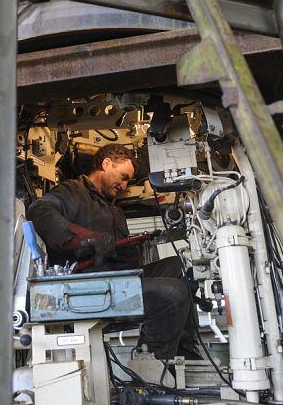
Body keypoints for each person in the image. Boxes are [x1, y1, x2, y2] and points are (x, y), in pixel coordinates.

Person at [27, 143, 198, 359]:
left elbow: (120, 253)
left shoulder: (113, 208)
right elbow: (39, 211)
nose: (125, 185)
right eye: (123, 176)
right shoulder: (73, 190)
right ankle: (154, 369)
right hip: (87, 286)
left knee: (179, 267)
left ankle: (183, 352)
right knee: (173, 293)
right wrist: (85, 239)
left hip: (118, 280)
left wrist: (131, 248)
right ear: (106, 164)